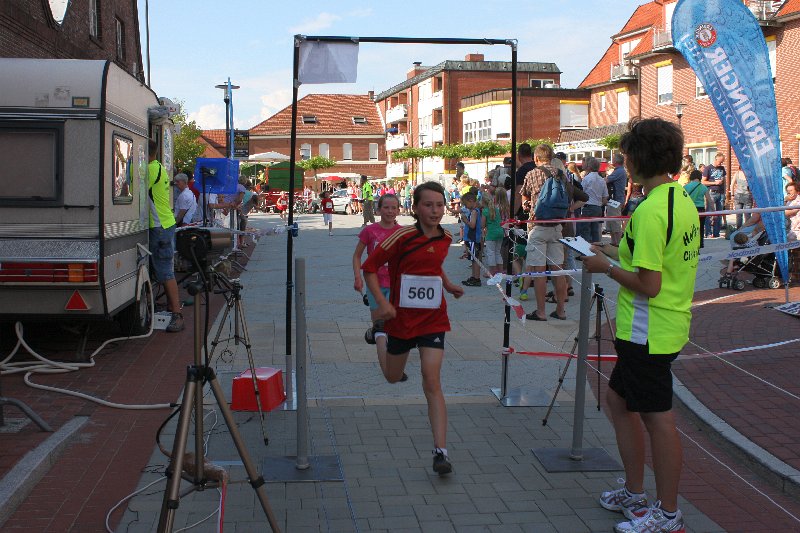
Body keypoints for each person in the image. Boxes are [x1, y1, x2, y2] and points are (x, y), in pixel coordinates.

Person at [580, 117, 700, 533]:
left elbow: (649, 284)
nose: (623, 161)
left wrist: (605, 267)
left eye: (626, 155)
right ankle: (635, 492)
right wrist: (609, 250)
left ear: (637, 159)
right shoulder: (678, 197)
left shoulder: (650, 211)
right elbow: (653, 257)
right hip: (661, 325)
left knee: (657, 419)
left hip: (649, 330)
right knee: (618, 402)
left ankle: (668, 514)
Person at [361, 181, 464, 475]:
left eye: (440, 205)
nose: (435, 210)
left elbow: (434, 264)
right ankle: (380, 334)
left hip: (433, 318)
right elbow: (369, 267)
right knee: (393, 377)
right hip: (400, 319)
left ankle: (441, 452)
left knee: (432, 381)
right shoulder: (402, 236)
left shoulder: (446, 237)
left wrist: (448, 285)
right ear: (416, 208)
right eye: (428, 205)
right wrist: (382, 303)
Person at [519, 144, 586, 320]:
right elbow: (576, 195)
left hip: (538, 226)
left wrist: (527, 204)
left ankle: (541, 312)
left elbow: (524, 197)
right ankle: (560, 310)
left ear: (536, 158)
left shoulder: (532, 174)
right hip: (557, 227)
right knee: (558, 270)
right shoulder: (561, 174)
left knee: (540, 272)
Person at [353, 194, 404, 378]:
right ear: (378, 209)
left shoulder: (403, 233)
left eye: (393, 208)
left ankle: (390, 359)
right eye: (386, 207)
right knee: (381, 326)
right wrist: (357, 278)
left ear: (398, 210)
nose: (390, 211)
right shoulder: (370, 231)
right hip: (375, 284)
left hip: (397, 285)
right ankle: (388, 368)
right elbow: (357, 255)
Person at [147, 139, 183, 333]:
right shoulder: (159, 167)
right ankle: (171, 308)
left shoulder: (150, 169)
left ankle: (177, 314)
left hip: (160, 225)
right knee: (164, 269)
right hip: (165, 223)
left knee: (165, 271)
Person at [578, 157, 608, 244]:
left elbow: (581, 193)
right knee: (595, 231)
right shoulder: (602, 180)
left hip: (588, 206)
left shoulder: (587, 179)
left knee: (585, 230)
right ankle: (596, 248)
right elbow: (605, 197)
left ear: (589, 167)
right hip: (598, 207)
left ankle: (586, 250)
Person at [684, 170, 712, 249]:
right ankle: (700, 243)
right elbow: (709, 200)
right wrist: (714, 211)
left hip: (689, 209)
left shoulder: (686, 187)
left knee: (689, 227)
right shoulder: (703, 187)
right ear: (700, 177)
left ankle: (690, 243)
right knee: (700, 227)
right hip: (700, 209)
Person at [460, 191, 483, 286]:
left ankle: (476, 278)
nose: (465, 207)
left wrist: (465, 220)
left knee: (475, 259)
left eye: (465, 204)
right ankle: (474, 276)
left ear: (471, 201)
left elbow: (472, 225)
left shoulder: (474, 212)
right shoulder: (475, 211)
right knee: (473, 259)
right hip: (472, 238)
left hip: (473, 239)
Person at [701, 152, 727, 238]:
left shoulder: (722, 168)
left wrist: (725, 192)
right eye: (720, 161)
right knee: (709, 213)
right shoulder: (708, 168)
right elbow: (703, 181)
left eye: (722, 162)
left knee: (719, 214)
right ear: (716, 159)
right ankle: (708, 233)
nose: (721, 163)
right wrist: (715, 183)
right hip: (711, 192)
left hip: (721, 193)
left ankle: (716, 233)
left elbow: (724, 180)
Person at [483, 188, 508, 276]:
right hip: (501, 231)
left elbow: (483, 224)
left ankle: (491, 271)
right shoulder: (499, 208)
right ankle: (500, 270)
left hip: (491, 233)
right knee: (498, 252)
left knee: (491, 253)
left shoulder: (487, 210)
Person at [605, 153, 627, 245]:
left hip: (615, 200)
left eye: (613, 159)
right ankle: (614, 242)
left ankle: (617, 244)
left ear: (616, 161)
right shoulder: (619, 171)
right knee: (611, 223)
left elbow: (606, 180)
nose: (611, 160)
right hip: (615, 200)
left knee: (615, 223)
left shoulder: (619, 171)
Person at [514, 144, 536, 219]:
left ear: (519, 155)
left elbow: (519, 193)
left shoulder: (522, 171)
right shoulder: (537, 167)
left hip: (526, 211)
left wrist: (513, 212)